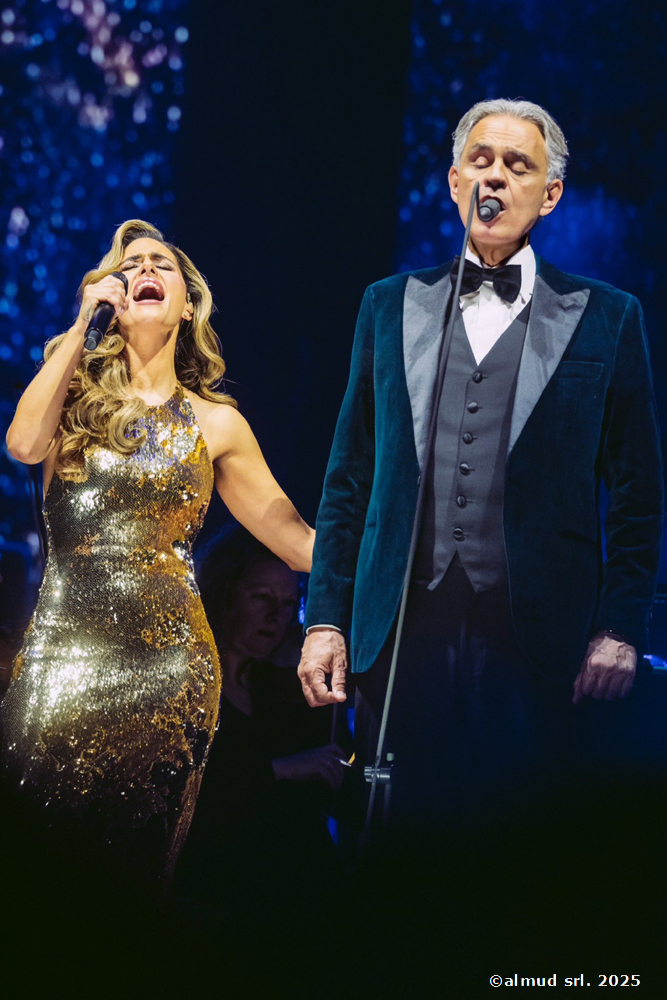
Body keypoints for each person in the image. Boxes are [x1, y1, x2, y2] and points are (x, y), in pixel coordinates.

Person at [298, 98, 663, 833]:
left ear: (549, 195)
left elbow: (637, 494)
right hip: (400, 634)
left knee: (514, 846)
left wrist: (620, 628)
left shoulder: (608, 316)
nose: (494, 176)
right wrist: (326, 618)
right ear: (454, 180)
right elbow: (348, 478)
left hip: (538, 639)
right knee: (396, 844)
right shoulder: (388, 305)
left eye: (517, 165)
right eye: (480, 160)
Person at [1, 218, 314, 889]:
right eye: (130, 264)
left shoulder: (217, 422)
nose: (144, 269)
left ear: (188, 304)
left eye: (160, 264)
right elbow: (23, 444)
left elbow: (297, 543)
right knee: (32, 866)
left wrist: (394, 546)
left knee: (129, 877)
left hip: (168, 675)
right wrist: (82, 324)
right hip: (61, 661)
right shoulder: (71, 400)